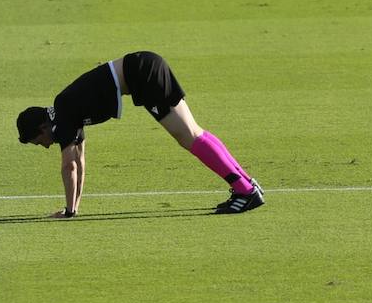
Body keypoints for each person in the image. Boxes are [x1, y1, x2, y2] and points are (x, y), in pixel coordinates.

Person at [16, 51, 264, 218]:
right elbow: (79, 161)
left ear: (42, 128)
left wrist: (69, 212)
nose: (45, 146)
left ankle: (244, 190)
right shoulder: (66, 111)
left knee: (188, 137)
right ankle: (247, 185)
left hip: (143, 74)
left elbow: (69, 166)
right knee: (194, 133)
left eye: (39, 142)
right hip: (146, 65)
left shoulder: (64, 113)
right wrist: (74, 208)